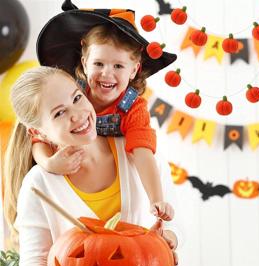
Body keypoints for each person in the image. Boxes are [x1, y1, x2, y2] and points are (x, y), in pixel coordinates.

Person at [4, 66, 178, 266]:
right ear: (38, 132)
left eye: (77, 98)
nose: (77, 115)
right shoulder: (39, 185)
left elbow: (173, 221)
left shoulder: (139, 156)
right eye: (59, 113)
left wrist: (166, 243)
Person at [34, 1, 177, 221]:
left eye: (118, 66)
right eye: (98, 64)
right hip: (73, 175)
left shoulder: (133, 107)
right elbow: (39, 133)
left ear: (134, 70)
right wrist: (48, 162)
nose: (106, 74)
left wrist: (156, 199)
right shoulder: (71, 93)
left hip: (115, 180)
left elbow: (142, 151)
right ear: (84, 63)